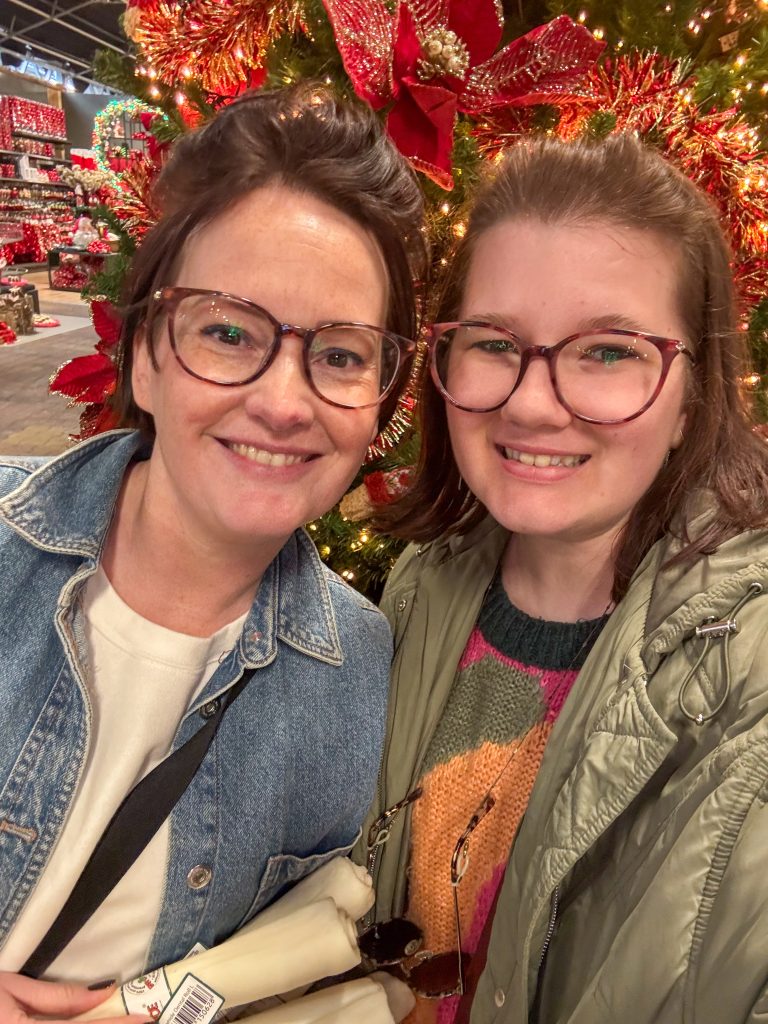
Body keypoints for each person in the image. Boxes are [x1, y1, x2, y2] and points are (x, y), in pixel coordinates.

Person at [0, 82, 425, 1022]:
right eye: (228, 333)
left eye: (341, 356)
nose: (283, 401)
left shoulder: (356, 674)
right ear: (146, 355)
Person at [358, 133, 768, 1024]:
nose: (532, 403)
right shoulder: (424, 587)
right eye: (494, 342)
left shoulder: (751, 683)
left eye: (609, 352)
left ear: (693, 392)